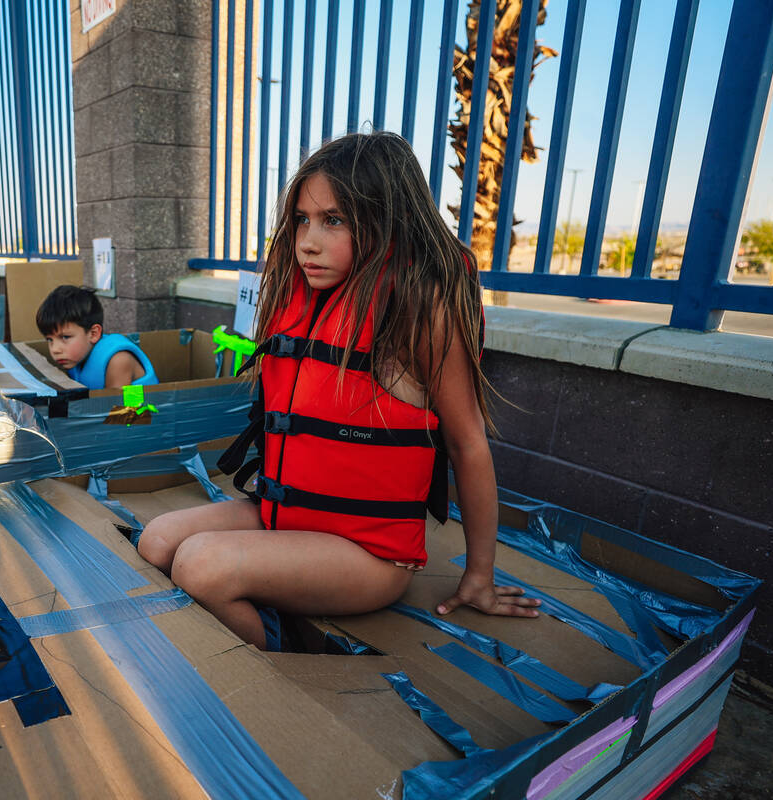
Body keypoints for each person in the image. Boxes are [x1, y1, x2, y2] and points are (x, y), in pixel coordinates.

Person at [136, 132, 539, 649]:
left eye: (334, 220)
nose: (308, 240)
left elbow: (468, 443)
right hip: (289, 515)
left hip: (367, 553)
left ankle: (283, 665)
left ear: (386, 224)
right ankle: (267, 604)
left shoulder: (416, 308)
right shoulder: (304, 295)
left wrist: (478, 576)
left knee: (200, 565)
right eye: (303, 219)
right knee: (158, 540)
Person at [34, 285, 158, 390]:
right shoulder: (76, 359)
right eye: (50, 339)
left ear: (93, 334)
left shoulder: (119, 360)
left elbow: (120, 409)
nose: (55, 349)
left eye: (65, 337)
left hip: (146, 412)